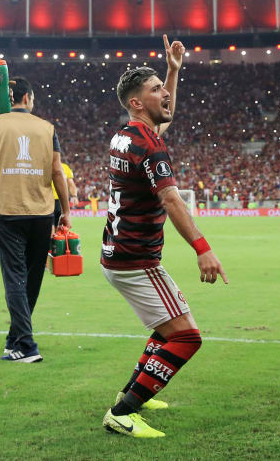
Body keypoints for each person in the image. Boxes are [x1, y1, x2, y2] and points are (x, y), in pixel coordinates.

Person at [100, 35, 228, 439]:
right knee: (187, 337)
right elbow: (172, 200)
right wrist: (203, 249)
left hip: (118, 252)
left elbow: (164, 116)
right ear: (137, 102)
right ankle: (124, 411)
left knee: (165, 328)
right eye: (155, 91)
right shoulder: (150, 146)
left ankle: (134, 389)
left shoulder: (126, 134)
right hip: (136, 259)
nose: (165, 96)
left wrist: (172, 71)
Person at [0, 76, 70, 363]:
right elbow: (58, 172)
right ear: (28, 98)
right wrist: (66, 211)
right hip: (43, 212)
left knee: (14, 278)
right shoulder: (47, 128)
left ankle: (25, 344)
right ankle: (16, 339)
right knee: (32, 278)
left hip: (8, 212)